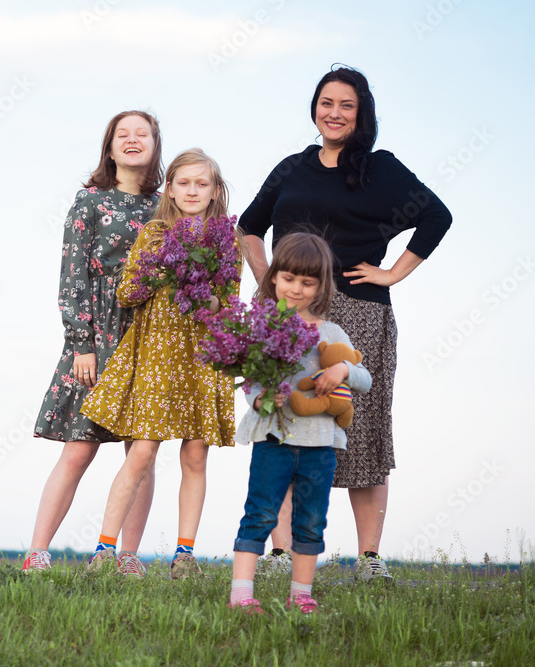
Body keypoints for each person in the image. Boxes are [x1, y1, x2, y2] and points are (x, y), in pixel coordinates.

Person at [238, 66, 452, 581]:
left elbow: (437, 216)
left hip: (361, 312)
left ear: (362, 114)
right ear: (315, 108)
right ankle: (281, 553)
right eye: (326, 102)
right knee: (286, 423)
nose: (334, 113)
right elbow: (248, 227)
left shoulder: (382, 169)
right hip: (290, 318)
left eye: (346, 105)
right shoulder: (292, 167)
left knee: (366, 428)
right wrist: (269, 284)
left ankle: (369, 557)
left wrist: (392, 274)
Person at [81, 148, 237, 579]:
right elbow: (126, 295)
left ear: (215, 190)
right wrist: (161, 270)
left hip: (202, 357)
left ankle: (184, 555)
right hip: (155, 353)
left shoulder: (226, 240)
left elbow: (229, 305)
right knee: (142, 452)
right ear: (170, 188)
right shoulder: (154, 233)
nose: (192, 190)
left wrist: (205, 292)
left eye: (201, 183)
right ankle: (104, 551)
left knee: (195, 456)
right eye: (183, 182)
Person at [27, 111, 164, 575]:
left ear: (154, 145)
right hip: (97, 336)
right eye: (122, 135)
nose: (131, 140)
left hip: (147, 338)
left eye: (140, 134)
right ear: (109, 149)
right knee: (79, 449)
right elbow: (72, 276)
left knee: (141, 452)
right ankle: (38, 552)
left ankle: (127, 557)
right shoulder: (90, 202)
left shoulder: (166, 208)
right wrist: (80, 342)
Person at [229, 232, 372, 614]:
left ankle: (301, 595)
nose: (296, 288)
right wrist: (262, 398)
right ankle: (241, 596)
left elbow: (366, 379)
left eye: (307, 282)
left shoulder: (331, 333)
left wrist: (343, 368)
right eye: (289, 278)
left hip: (321, 444)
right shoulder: (261, 325)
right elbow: (250, 380)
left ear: (321, 286)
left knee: (311, 521)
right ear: (273, 277)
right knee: (259, 514)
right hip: (273, 439)